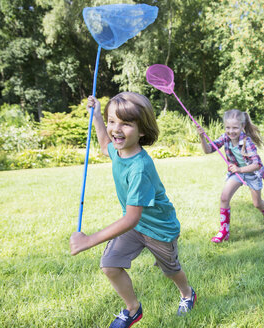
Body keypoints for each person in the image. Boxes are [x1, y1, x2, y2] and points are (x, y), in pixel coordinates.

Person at [70, 92, 196, 328]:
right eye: (112, 121)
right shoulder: (118, 150)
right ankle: (133, 309)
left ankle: (187, 293)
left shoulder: (140, 167)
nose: (116, 128)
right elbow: (103, 144)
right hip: (135, 226)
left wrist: (89, 240)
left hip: (159, 229)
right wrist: (97, 116)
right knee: (109, 265)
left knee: (170, 270)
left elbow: (130, 217)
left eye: (126, 123)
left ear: (142, 131)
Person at [197, 109, 264, 243]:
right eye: (228, 127)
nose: (231, 131)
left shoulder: (247, 141)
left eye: (235, 128)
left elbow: (257, 164)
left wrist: (239, 169)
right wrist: (202, 137)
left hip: (252, 174)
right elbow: (208, 150)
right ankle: (224, 232)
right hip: (237, 173)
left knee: (257, 203)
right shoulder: (225, 138)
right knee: (224, 197)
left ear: (242, 127)